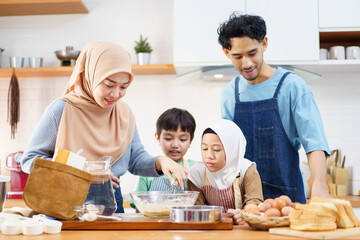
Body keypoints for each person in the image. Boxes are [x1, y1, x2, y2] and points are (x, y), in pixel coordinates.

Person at [20, 42, 187, 213]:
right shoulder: (61, 110)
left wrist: (161, 161)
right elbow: (29, 159)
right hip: (65, 202)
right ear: (91, 76)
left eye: (123, 87)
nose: (115, 94)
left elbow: (135, 159)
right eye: (109, 85)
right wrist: (85, 172)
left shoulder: (125, 114)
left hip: (112, 201)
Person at [218, 13, 331, 203]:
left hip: (288, 199)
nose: (246, 63)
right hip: (246, 203)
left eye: (252, 53)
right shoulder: (230, 93)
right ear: (226, 52)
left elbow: (315, 143)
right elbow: (229, 151)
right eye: (237, 56)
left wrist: (319, 186)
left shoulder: (293, 87)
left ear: (264, 43)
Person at [188, 119, 263, 222]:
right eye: (204, 148)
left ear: (232, 150)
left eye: (216, 150)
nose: (209, 156)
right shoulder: (196, 173)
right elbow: (197, 211)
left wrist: (244, 214)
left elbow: (254, 203)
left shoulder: (247, 169)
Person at [130, 108, 197, 209]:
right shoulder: (147, 171)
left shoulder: (196, 169)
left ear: (190, 141)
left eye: (182, 139)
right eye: (168, 138)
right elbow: (140, 208)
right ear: (158, 138)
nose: (175, 145)